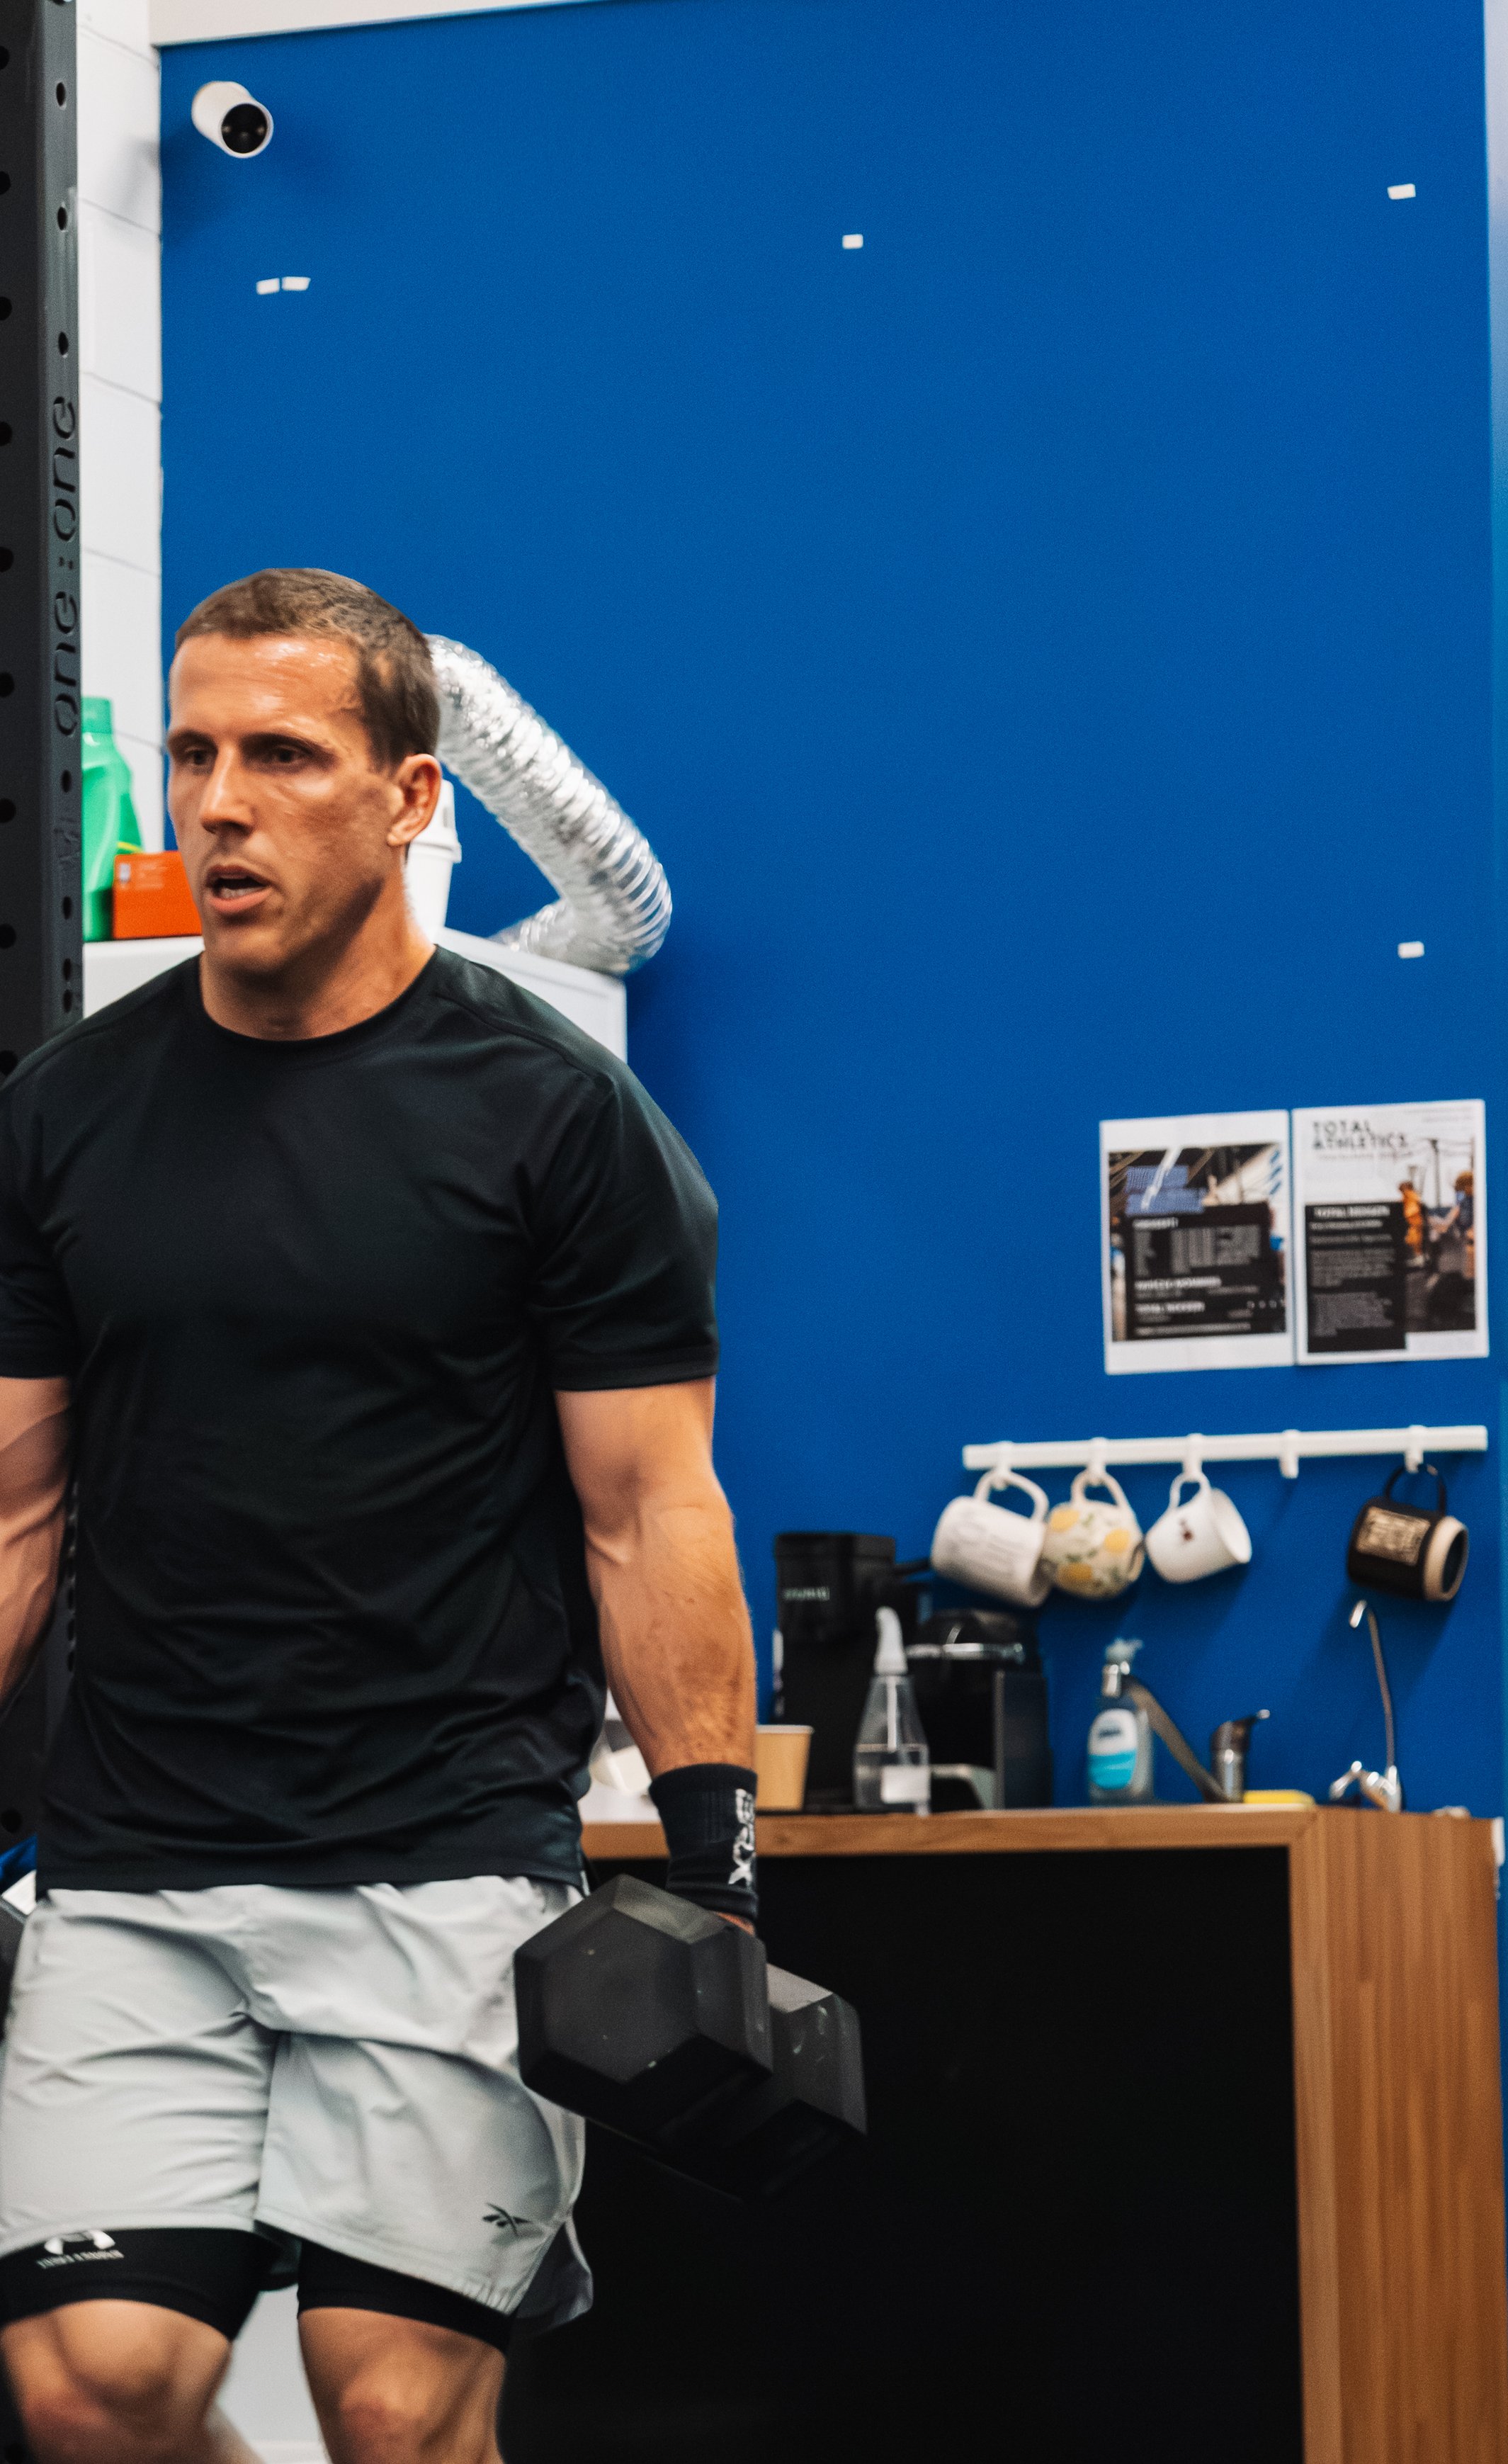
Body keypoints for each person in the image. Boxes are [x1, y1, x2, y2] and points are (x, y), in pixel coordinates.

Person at [0, 570, 759, 2464]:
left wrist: (712, 1855)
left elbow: (649, 1506)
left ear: (412, 798)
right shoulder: (64, 1114)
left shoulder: (554, 1120)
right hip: (132, 1875)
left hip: (444, 1875)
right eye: (192, 755)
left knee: (398, 2411)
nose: (220, 805)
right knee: (96, 2390)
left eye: (281, 756)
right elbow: (11, 1502)